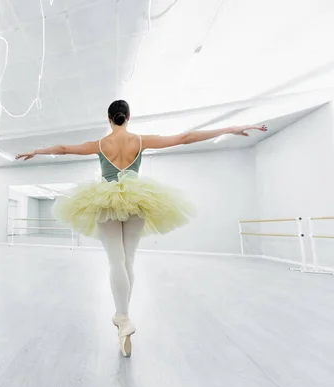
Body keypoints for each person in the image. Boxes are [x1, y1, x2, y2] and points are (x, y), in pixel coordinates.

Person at [15, 99, 267, 357]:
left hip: (105, 202)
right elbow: (185, 137)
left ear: (109, 119)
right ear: (129, 117)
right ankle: (123, 316)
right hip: (137, 200)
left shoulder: (100, 144)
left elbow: (65, 148)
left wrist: (36, 151)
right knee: (128, 261)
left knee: (116, 261)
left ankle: (122, 318)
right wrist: (230, 128)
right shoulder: (139, 140)